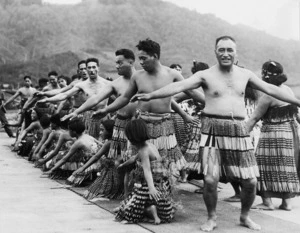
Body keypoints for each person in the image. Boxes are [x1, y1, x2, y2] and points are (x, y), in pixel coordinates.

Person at [131, 36, 300, 231]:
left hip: (238, 129)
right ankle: (212, 218)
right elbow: (179, 86)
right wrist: (152, 95)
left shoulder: (245, 74)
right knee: (210, 179)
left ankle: (245, 217)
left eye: (230, 50)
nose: (226, 53)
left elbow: (271, 89)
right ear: (215, 52)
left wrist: (297, 102)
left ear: (236, 53)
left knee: (251, 180)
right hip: (211, 129)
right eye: (222, 50)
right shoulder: (205, 75)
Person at [92, 39, 201, 179]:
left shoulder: (173, 74)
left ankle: (161, 194)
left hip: (163, 126)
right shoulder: (137, 76)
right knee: (134, 162)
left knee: (163, 162)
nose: (141, 62)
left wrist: (209, 102)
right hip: (141, 124)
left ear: (154, 56)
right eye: (139, 59)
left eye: (144, 58)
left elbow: (191, 92)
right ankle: (133, 195)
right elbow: (125, 98)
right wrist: (107, 110)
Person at [63, 48, 137, 197]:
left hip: (136, 125)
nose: (116, 66)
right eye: (115, 63)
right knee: (119, 161)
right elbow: (95, 99)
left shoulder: (142, 79)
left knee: (135, 160)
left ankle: (135, 194)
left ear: (131, 61)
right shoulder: (115, 83)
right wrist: (77, 111)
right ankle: (123, 192)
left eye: (119, 63)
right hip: (119, 125)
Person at [247, 61, 300, 211]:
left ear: (265, 75)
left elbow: (254, 119)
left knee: (262, 166)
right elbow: (296, 114)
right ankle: (286, 203)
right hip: (290, 133)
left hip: (272, 134)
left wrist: (241, 134)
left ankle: (267, 203)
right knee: (287, 167)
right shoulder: (288, 90)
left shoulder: (268, 95)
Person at [115, 119, 174, 224]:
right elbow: (134, 158)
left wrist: (151, 188)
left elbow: (147, 170)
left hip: (151, 184)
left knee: (127, 212)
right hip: (162, 183)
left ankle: (151, 211)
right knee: (131, 203)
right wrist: (123, 164)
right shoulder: (149, 145)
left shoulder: (143, 151)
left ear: (132, 137)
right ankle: (154, 212)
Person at [38, 58, 110, 139]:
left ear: (98, 68)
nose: (91, 70)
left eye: (94, 67)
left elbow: (121, 98)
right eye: (89, 68)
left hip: (103, 119)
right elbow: (64, 94)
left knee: (104, 143)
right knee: (88, 144)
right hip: (87, 118)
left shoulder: (108, 84)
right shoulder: (81, 85)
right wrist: (47, 99)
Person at [43, 118, 101, 182]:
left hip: (93, 166)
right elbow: (101, 145)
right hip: (99, 162)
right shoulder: (88, 136)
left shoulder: (78, 142)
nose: (68, 131)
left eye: (69, 130)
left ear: (74, 132)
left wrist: (51, 170)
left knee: (71, 180)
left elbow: (65, 159)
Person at [68, 119, 114, 187]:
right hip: (99, 162)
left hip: (105, 165)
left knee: (74, 177)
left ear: (110, 131)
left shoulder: (108, 143)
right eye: (100, 130)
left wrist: (83, 168)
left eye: (102, 130)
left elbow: (96, 156)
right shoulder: (106, 141)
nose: (100, 133)